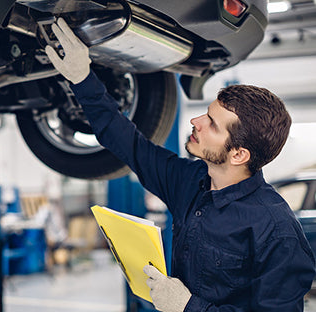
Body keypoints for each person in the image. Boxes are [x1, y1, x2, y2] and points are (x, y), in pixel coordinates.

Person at [45, 18, 316, 311]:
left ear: (238, 154)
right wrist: (82, 79)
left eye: (212, 124)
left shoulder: (278, 232)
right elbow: (129, 144)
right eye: (206, 114)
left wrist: (188, 306)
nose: (195, 122)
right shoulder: (190, 181)